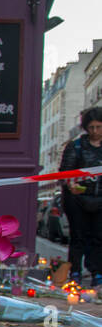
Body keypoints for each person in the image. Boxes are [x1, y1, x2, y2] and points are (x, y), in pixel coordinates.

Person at [59, 107, 102, 286]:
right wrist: (71, 185)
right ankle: (74, 271)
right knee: (78, 236)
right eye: (91, 127)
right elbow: (64, 173)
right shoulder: (75, 146)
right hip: (77, 199)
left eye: (99, 127)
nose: (95, 131)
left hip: (100, 198)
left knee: (99, 236)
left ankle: (97, 272)